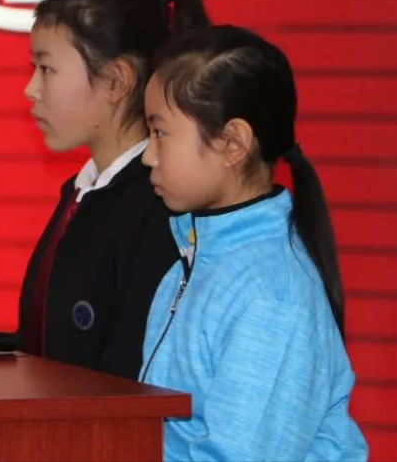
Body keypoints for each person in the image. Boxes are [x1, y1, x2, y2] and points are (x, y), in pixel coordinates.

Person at [139, 25, 368, 460]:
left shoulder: (272, 293)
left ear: (232, 144)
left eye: (160, 133)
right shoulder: (196, 256)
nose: (148, 155)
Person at [17, 0, 209, 378]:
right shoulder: (81, 195)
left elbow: (131, 380)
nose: (31, 89)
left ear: (117, 80)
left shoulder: (158, 210)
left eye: (46, 69)